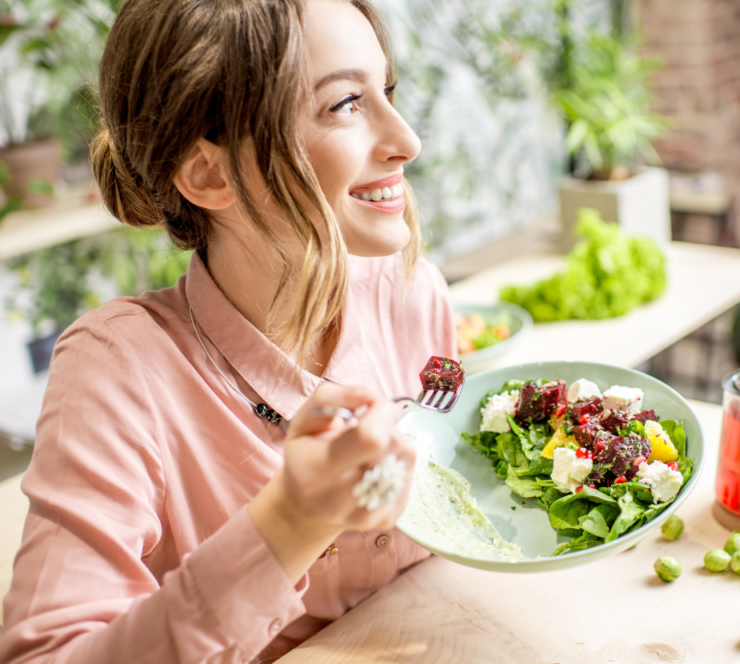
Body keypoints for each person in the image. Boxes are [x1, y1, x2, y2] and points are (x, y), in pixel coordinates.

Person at [0, 0, 457, 662]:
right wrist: (291, 522)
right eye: (345, 105)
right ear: (208, 173)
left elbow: (449, 406)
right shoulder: (117, 372)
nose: (408, 140)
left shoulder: (416, 291)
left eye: (385, 91)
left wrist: (473, 419)